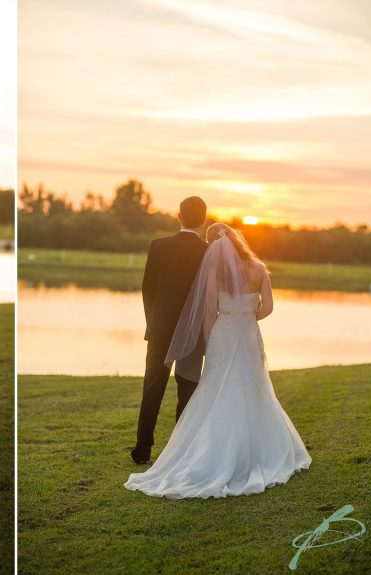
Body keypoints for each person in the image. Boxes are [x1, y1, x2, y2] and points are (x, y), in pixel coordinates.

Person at [124, 223, 311, 498]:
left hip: (223, 334)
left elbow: (210, 312)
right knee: (254, 387)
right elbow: (269, 307)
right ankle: (259, 450)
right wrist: (248, 318)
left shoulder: (215, 272)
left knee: (216, 391)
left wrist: (214, 339)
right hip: (247, 334)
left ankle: (207, 449)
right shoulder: (259, 268)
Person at [131, 196, 208, 464]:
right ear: (204, 219)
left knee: (152, 388)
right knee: (186, 390)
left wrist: (153, 321)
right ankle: (180, 452)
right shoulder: (208, 251)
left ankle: (142, 450)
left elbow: (147, 288)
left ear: (179, 216)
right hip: (192, 331)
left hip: (160, 330)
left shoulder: (158, 246)